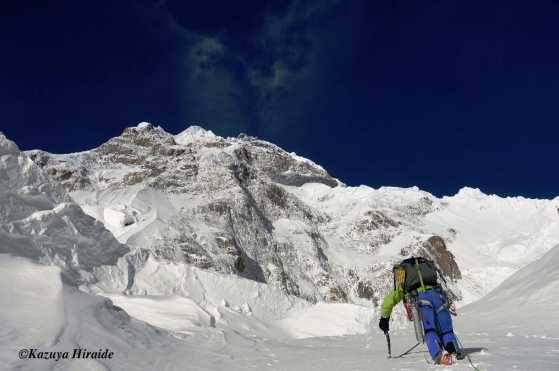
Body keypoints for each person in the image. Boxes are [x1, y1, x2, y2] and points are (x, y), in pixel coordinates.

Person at [378, 256, 459, 365]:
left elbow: (392, 297)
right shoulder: (426, 266)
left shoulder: (401, 272)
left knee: (430, 330)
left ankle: (439, 356)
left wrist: (384, 318)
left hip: (422, 299)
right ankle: (453, 351)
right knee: (446, 329)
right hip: (438, 295)